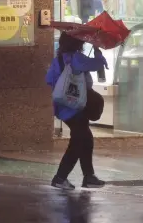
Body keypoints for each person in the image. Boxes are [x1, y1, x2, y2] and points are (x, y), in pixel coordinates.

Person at [45, 32, 107, 190]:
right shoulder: (77, 58)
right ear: (77, 43)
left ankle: (89, 176)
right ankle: (60, 178)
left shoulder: (58, 60)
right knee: (79, 141)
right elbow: (99, 64)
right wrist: (97, 50)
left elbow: (49, 79)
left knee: (85, 138)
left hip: (64, 107)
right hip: (77, 106)